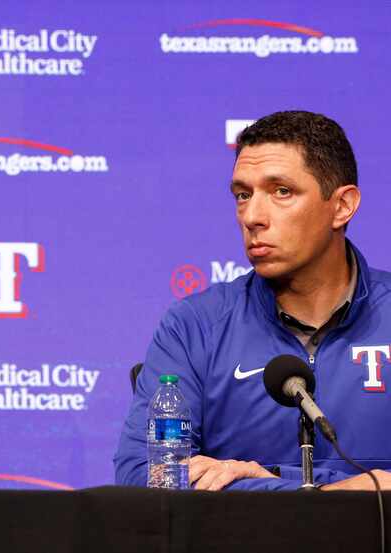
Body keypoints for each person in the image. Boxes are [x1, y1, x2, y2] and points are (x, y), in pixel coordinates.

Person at [115, 110, 391, 491]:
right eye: (243, 195)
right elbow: (146, 476)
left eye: (281, 191)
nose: (253, 216)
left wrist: (274, 482)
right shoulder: (195, 326)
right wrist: (325, 492)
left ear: (342, 206)